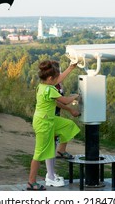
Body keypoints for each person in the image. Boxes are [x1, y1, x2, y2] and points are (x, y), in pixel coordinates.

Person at [27, 60, 80, 191]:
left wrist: (71, 68)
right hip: (43, 124)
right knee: (39, 154)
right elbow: (66, 101)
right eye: (56, 78)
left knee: (68, 125)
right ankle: (31, 182)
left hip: (50, 120)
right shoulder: (50, 90)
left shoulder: (43, 85)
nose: (58, 81)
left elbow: (58, 79)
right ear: (50, 78)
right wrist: (77, 95)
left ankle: (61, 150)